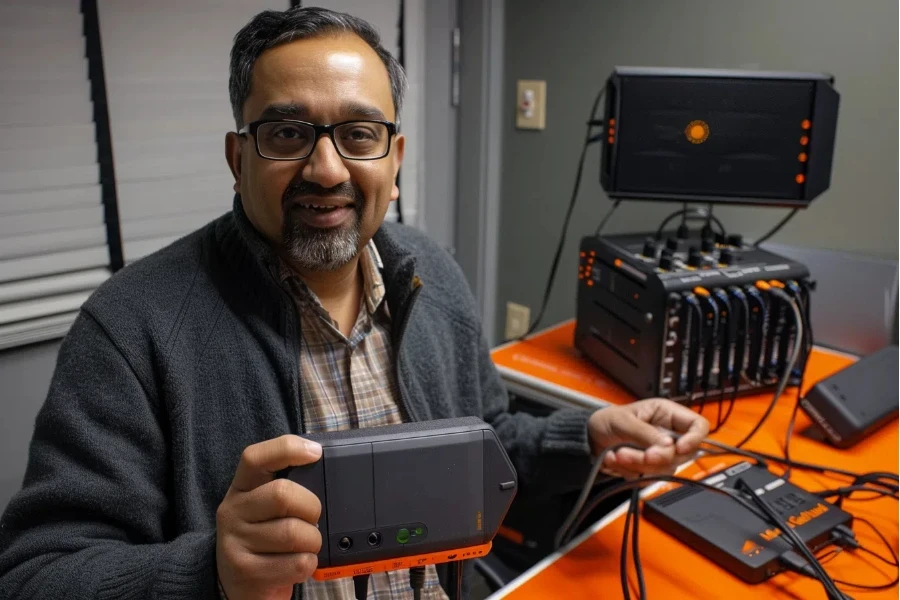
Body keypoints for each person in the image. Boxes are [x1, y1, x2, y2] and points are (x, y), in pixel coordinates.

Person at [0, 6, 708, 600]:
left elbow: (482, 442)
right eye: (286, 134)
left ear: (394, 160)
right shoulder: (131, 326)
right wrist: (208, 571)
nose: (326, 169)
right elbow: (38, 572)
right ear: (237, 157)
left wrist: (587, 436)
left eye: (359, 135)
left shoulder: (431, 272)